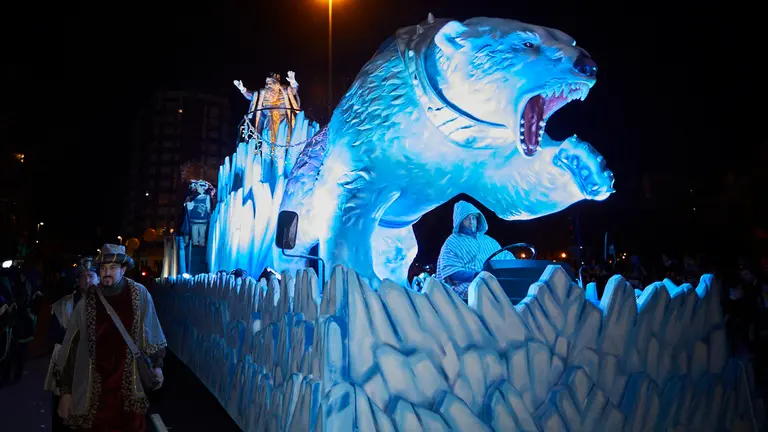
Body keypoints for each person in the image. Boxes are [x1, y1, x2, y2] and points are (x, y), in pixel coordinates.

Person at [55, 244, 167, 431]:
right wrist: (66, 392)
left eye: (113, 268)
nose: (107, 273)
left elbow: (152, 330)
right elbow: (70, 347)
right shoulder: (87, 302)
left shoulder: (140, 294)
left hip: (130, 387)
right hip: (93, 390)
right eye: (103, 268)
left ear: (123, 270)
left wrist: (157, 366)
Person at [47, 257, 98, 431]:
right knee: (65, 416)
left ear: (98, 278)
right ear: (78, 280)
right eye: (83, 276)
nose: (88, 280)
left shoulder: (108, 304)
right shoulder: (64, 304)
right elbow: (54, 336)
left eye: (91, 275)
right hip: (69, 366)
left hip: (97, 369)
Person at [436, 201, 515, 301]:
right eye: (466, 218)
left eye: (473, 217)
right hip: (466, 287)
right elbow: (451, 271)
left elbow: (504, 256)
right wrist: (478, 276)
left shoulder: (489, 241)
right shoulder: (452, 242)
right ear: (460, 221)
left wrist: (515, 266)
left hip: (493, 283)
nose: (471, 221)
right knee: (485, 293)